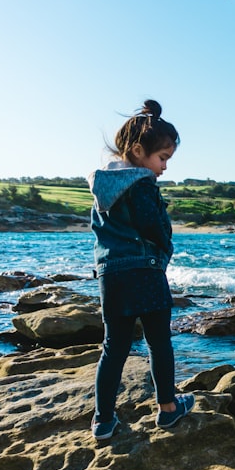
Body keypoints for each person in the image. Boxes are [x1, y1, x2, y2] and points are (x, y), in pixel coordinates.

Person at [87, 99, 194, 441]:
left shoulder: (103, 188)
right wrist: (166, 246)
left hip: (111, 276)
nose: (164, 167)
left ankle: (103, 420)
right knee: (159, 342)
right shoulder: (142, 184)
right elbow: (153, 227)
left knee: (113, 347)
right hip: (146, 272)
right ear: (137, 150)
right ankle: (168, 408)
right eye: (162, 158)